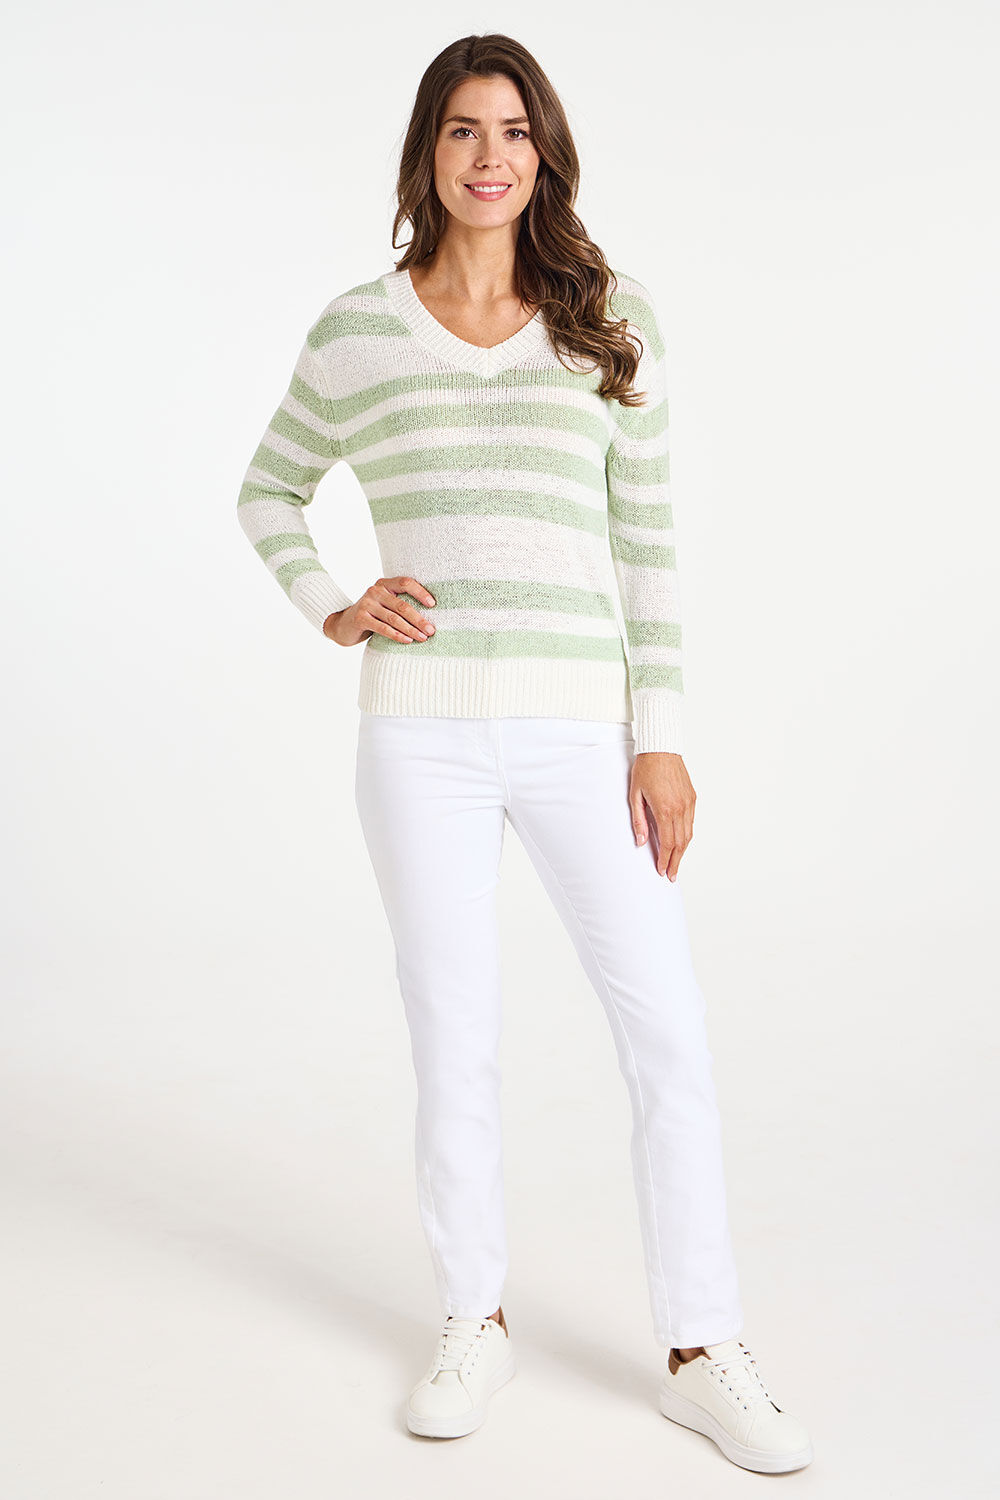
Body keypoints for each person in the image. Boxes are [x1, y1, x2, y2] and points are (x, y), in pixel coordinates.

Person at [236, 32, 813, 1475]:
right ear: (427, 154)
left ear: (543, 151)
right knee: (455, 1033)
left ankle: (701, 1348)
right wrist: (334, 605)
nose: (488, 155)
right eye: (461, 129)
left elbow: (648, 546)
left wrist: (659, 740)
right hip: (418, 735)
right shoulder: (358, 331)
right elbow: (268, 491)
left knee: (665, 1028)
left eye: (512, 130)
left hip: (579, 732)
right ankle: (473, 1317)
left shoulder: (609, 320)